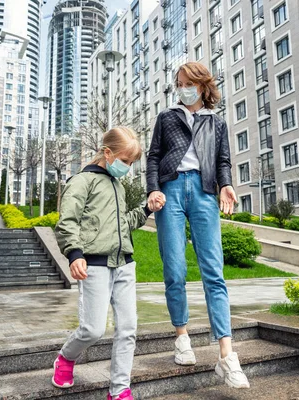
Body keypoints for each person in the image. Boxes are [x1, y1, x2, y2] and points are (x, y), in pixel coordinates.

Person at [146, 62, 250, 389]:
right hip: (172, 189)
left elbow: (222, 161)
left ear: (202, 85)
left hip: (205, 193)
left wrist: (226, 184)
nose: (183, 88)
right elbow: (153, 156)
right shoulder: (167, 117)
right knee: (174, 268)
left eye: (187, 82)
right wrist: (153, 188)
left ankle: (227, 356)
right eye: (179, 83)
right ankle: (182, 337)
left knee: (214, 271)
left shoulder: (216, 123)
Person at [52, 127, 162, 400]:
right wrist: (75, 253)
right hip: (95, 265)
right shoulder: (82, 181)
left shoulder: (118, 186)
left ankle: (119, 390)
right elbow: (67, 222)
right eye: (125, 161)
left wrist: (147, 208)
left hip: (124, 264)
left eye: (132, 162)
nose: (128, 167)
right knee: (92, 329)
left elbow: (123, 225)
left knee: (128, 329)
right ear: (107, 152)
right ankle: (65, 358)